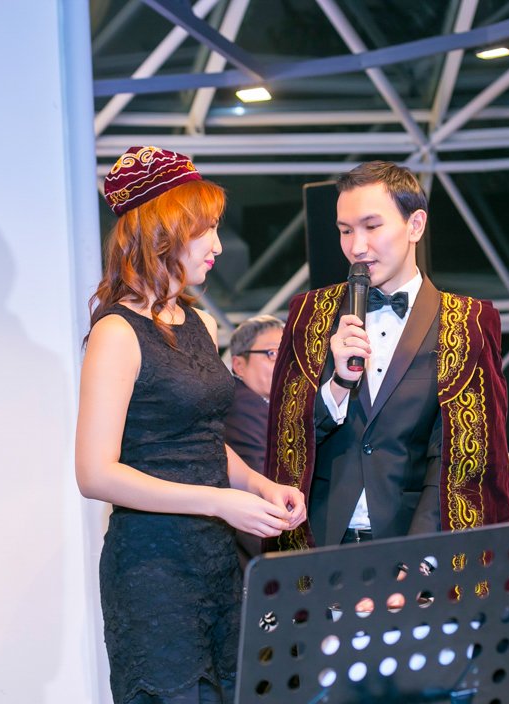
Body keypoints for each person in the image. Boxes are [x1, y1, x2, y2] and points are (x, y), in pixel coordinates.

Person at [74, 146, 306, 704]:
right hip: (153, 570)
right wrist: (218, 502)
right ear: (164, 232)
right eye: (207, 230)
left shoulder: (201, 323)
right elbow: (94, 474)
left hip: (216, 561)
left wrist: (258, 485)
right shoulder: (116, 333)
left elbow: (202, 439)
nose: (219, 246)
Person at [263, 160, 509, 552]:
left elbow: (464, 459)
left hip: (411, 549)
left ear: (415, 225)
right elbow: (287, 438)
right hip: (319, 547)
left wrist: (420, 560)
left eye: (372, 226)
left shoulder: (468, 322)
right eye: (345, 230)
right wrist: (338, 384)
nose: (357, 247)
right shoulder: (310, 314)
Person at [223, 315, 284, 566]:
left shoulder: (264, 404)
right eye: (272, 353)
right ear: (238, 364)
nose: (283, 362)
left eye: (288, 353)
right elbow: (265, 479)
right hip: (259, 552)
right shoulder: (242, 405)